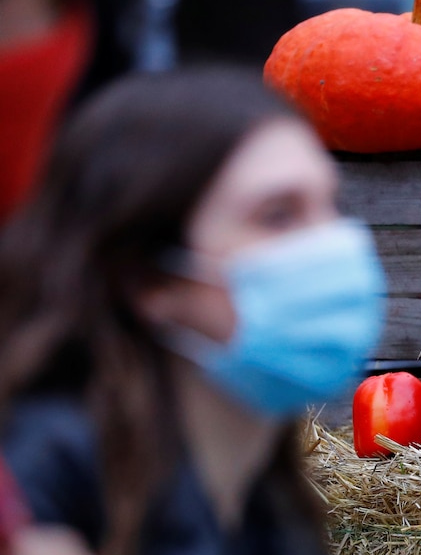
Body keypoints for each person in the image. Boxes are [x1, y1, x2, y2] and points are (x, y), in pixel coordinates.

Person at [0, 66, 387, 554]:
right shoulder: (38, 497)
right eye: (278, 215)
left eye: (334, 206)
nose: (331, 245)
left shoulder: (268, 499)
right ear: (149, 277)